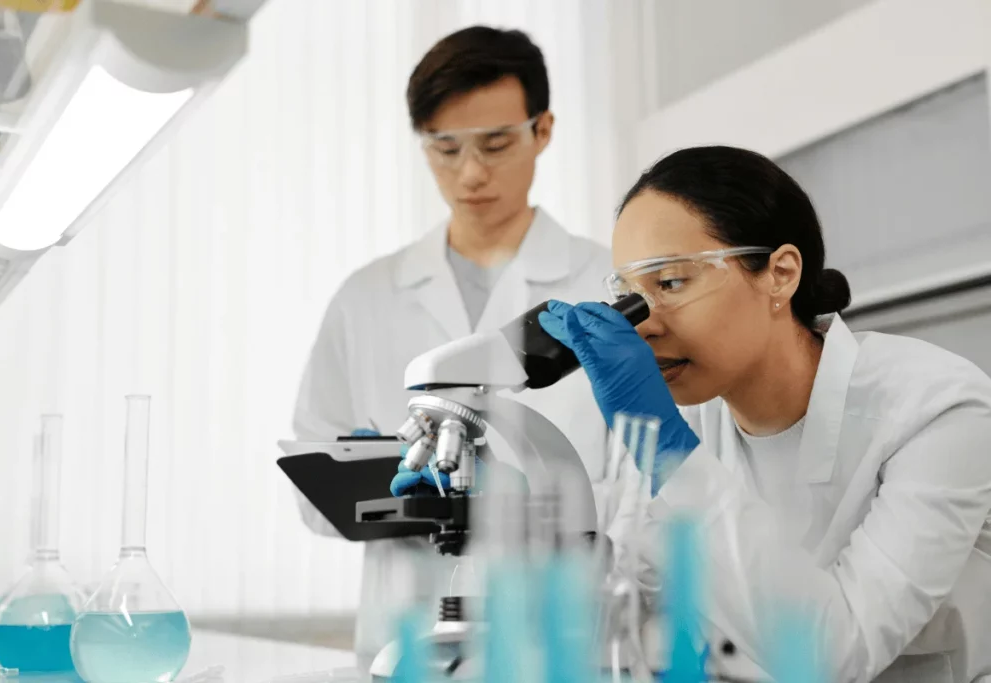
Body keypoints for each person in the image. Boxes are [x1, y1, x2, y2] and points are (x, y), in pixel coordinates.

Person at [535, 146, 991, 682]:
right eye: (630, 296)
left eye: (670, 283)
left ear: (780, 273)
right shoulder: (693, 419)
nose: (643, 324)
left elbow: (833, 654)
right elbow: (635, 605)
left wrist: (669, 454)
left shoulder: (938, 408)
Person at [291, 26, 611, 668]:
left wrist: (527, 499)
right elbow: (310, 488)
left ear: (542, 130)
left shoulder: (603, 286)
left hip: (558, 641)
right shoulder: (367, 296)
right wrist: (378, 482)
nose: (470, 173)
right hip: (401, 639)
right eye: (444, 148)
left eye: (495, 144)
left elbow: (656, 481)